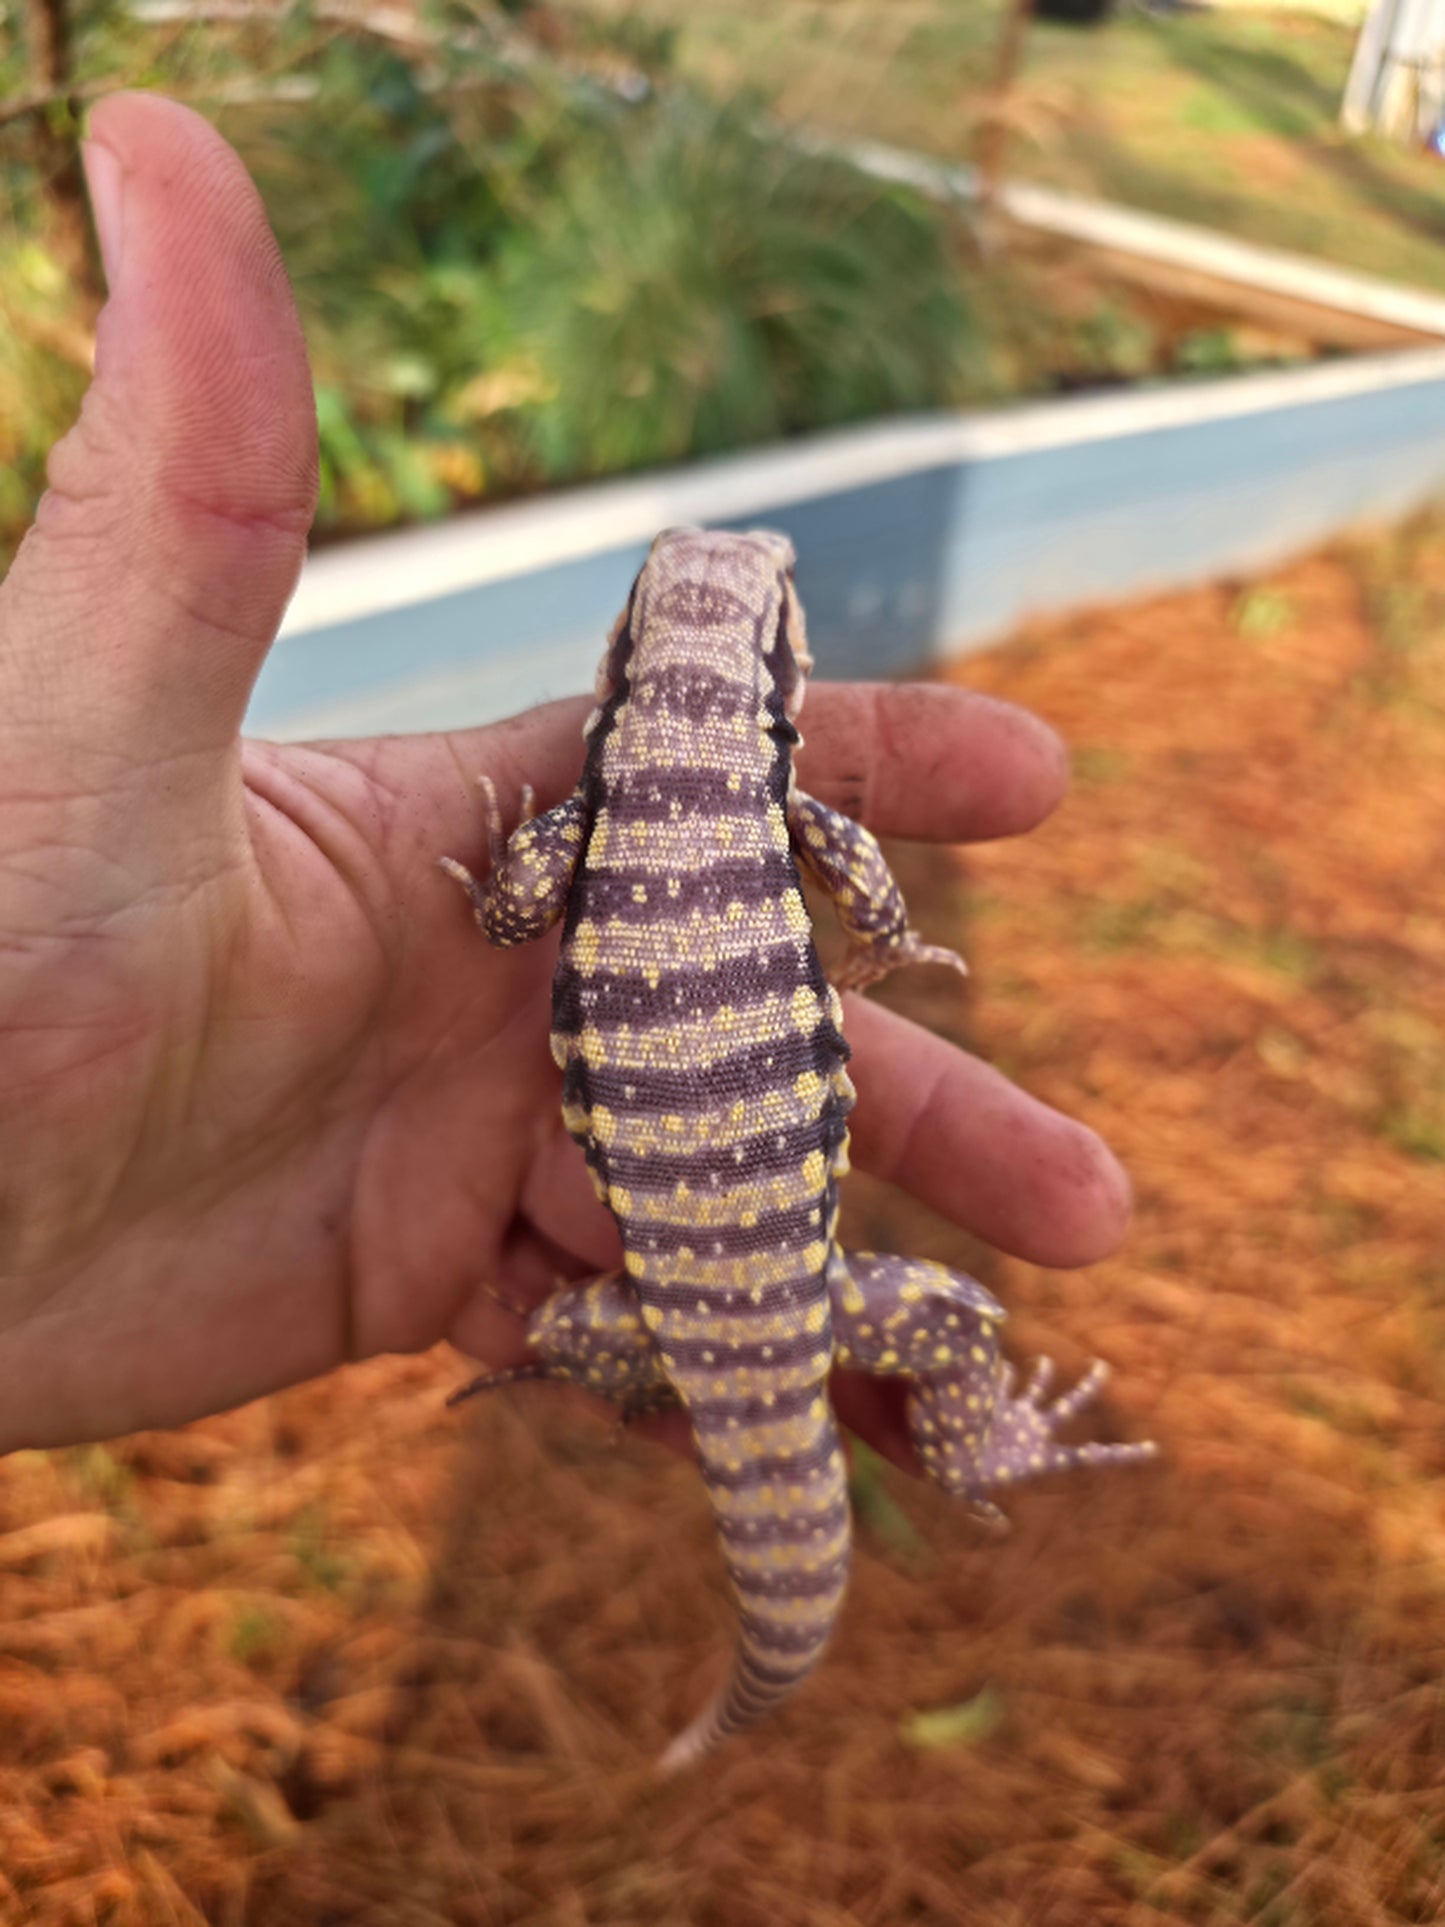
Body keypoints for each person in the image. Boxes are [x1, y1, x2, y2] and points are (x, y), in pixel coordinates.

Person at [0, 94, 1130, 1460]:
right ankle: (981, 1444)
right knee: (957, 1317)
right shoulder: (796, 817)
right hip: (748, 1306)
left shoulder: (576, 823)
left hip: (674, 1309)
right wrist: (885, 949)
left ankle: (614, 1382)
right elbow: (869, 896)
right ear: (779, 680)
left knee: (618, 1337)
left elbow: (503, 916)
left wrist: (491, 883)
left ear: (620, 663)